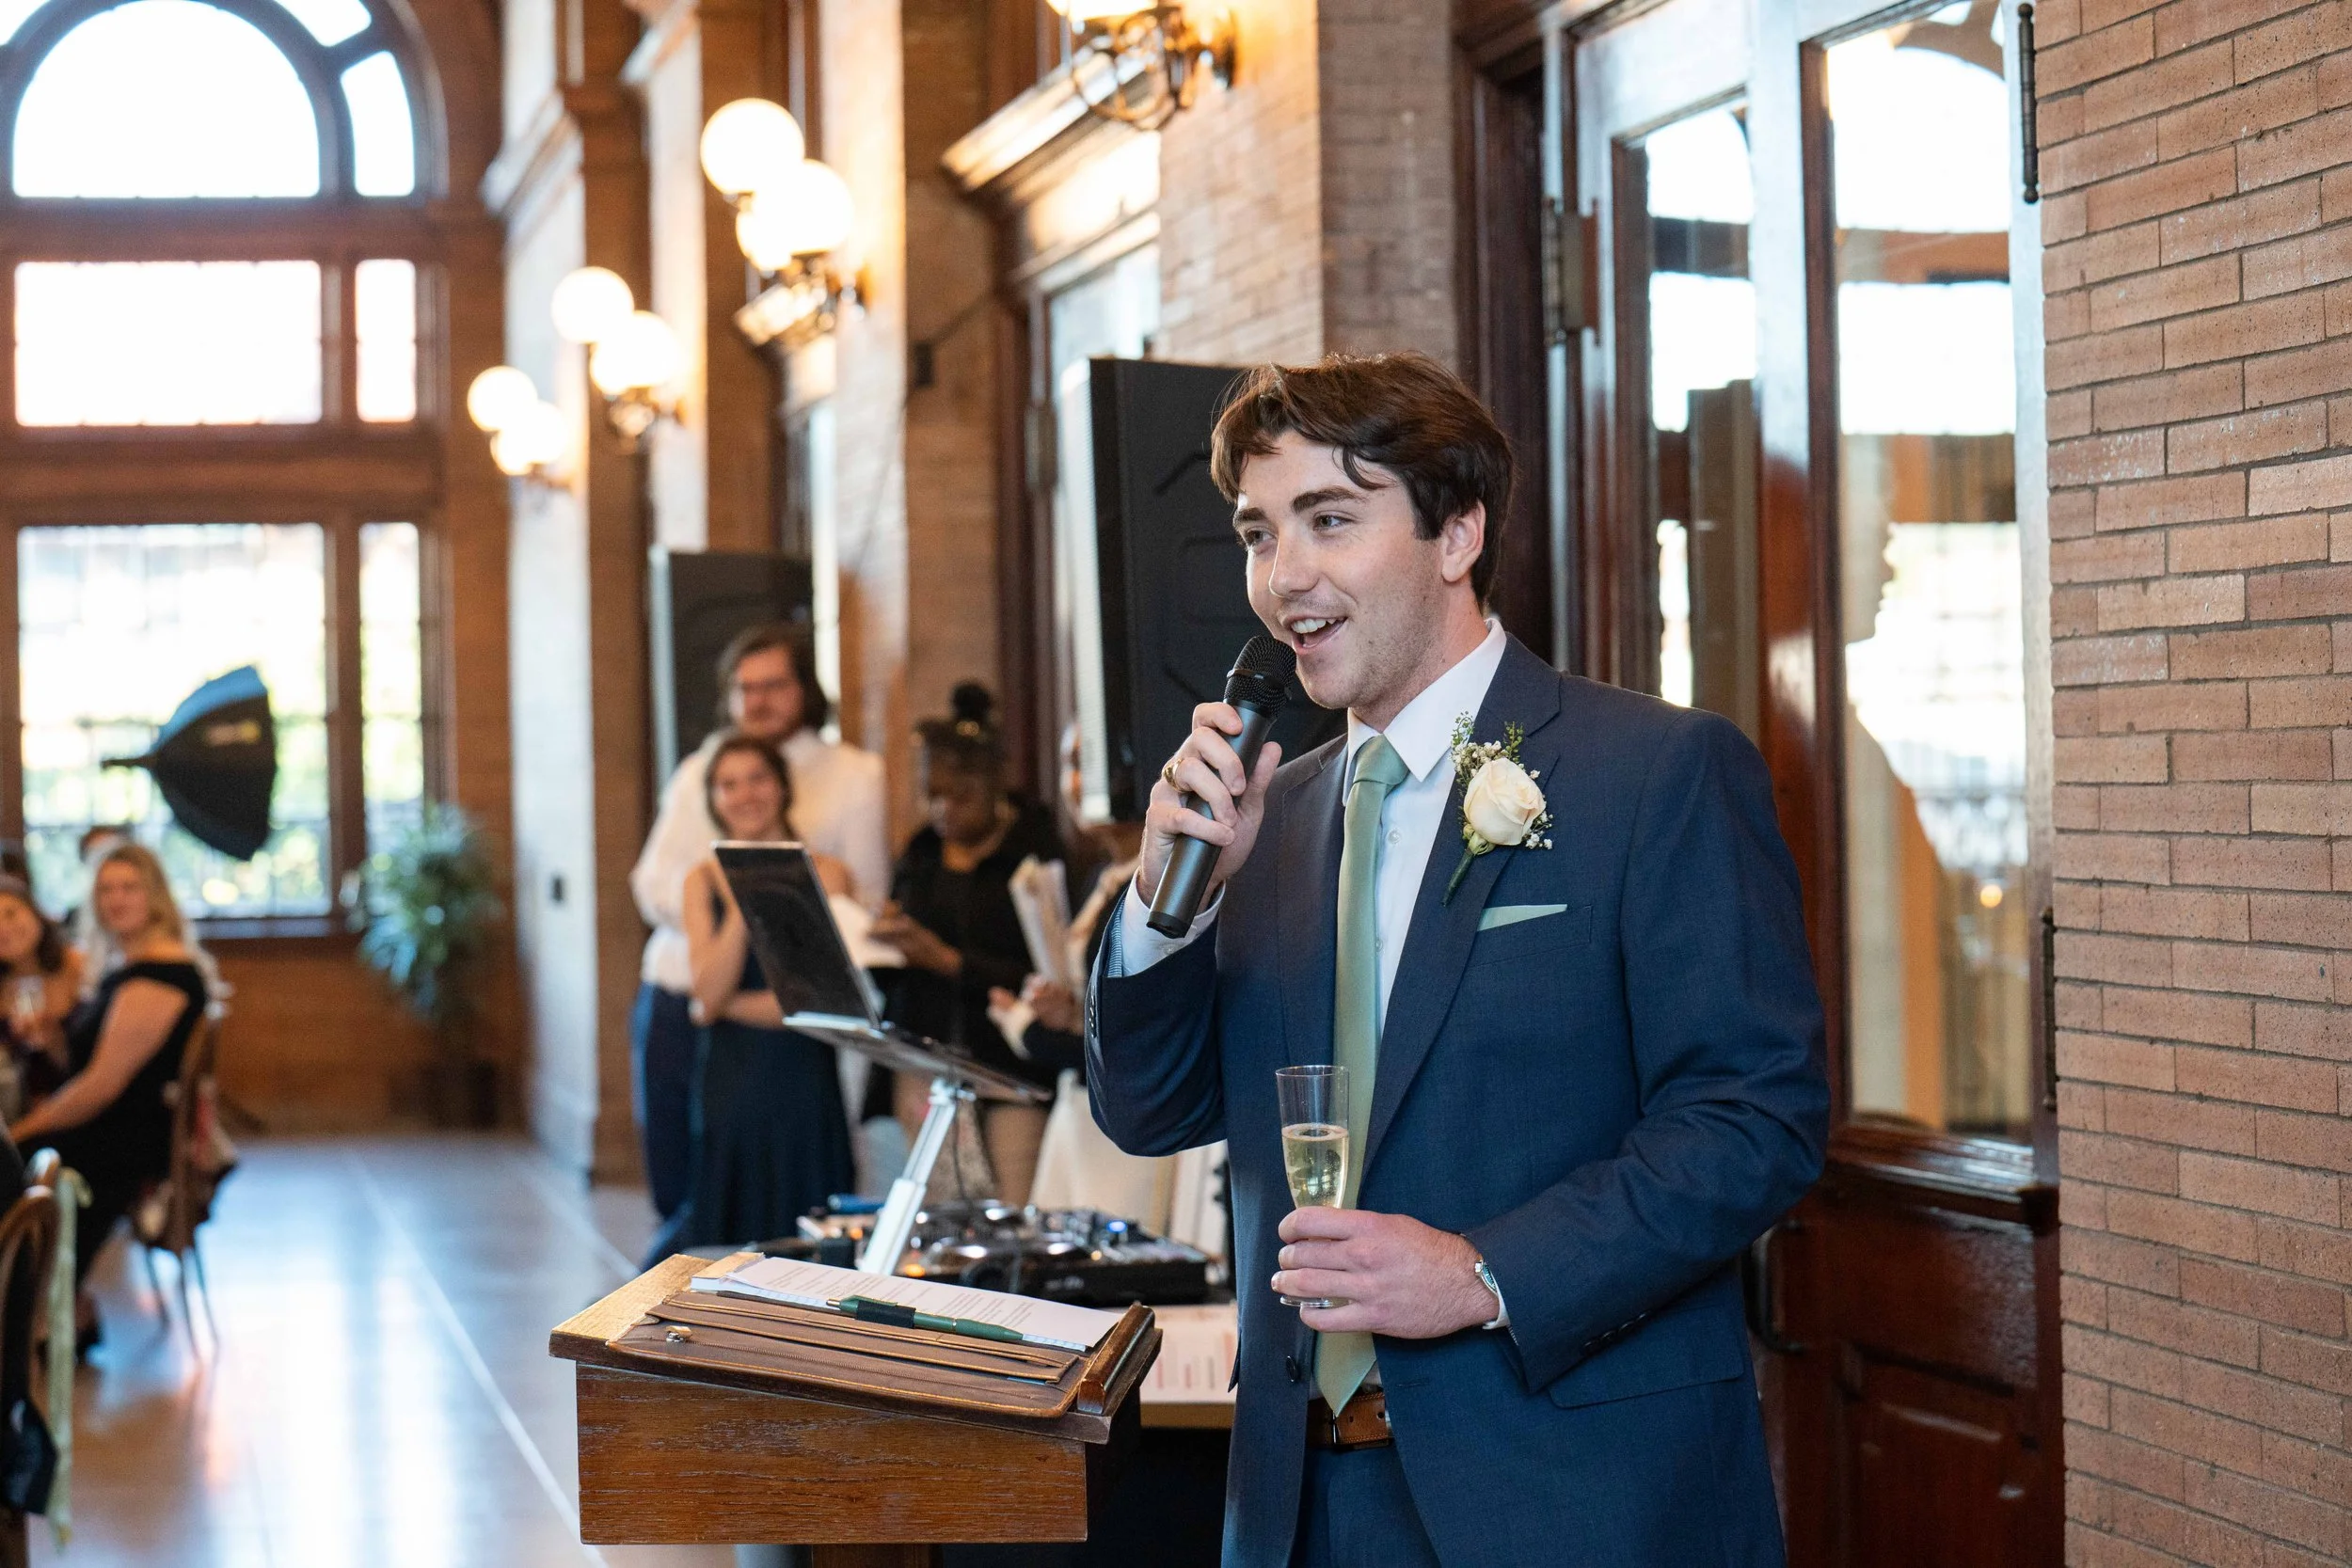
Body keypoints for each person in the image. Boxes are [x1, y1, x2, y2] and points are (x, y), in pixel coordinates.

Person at [1088, 353, 1829, 1567]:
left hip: (1575, 1490)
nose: (1286, 576)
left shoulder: (1654, 771)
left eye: (1331, 519)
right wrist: (1167, 906)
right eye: (1259, 532)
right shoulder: (1275, 817)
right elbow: (1150, 1111)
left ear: (1458, 533)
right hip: (1299, 1502)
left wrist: (1486, 1270)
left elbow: (1756, 1120)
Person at [629, 625, 885, 1223]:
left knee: (805, 1205)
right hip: (687, 991)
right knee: (689, 1186)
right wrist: (731, 887)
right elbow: (651, 884)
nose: (757, 701)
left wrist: (770, 879)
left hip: (799, 1040)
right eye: (745, 689)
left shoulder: (853, 775)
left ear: (804, 688)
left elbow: (859, 916)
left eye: (772, 685)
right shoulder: (700, 767)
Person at [651, 733, 858, 1256]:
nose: (744, 795)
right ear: (714, 800)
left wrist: (723, 1007)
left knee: (808, 1239)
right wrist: (748, 896)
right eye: (728, 785)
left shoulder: (828, 874)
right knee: (725, 1241)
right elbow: (706, 989)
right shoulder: (701, 880)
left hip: (803, 1076)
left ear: (783, 787)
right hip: (730, 1079)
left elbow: (814, 1000)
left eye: (757, 778)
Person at [869, 685, 1065, 1207]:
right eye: (932, 794)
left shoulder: (1032, 849)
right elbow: (895, 953)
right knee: (939, 1209)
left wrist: (951, 962)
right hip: (927, 1053)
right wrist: (886, 941)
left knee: (1014, 1206)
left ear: (993, 785)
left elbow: (1048, 969)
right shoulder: (922, 851)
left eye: (959, 797)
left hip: (1010, 1058)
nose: (943, 810)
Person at [11, 844, 215, 1303]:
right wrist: (53, 1039)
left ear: (155, 896)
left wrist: (20, 1128)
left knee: (12, 1159)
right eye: (105, 890)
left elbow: (98, 1090)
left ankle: (38, 1312)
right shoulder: (128, 965)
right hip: (113, 1128)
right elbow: (87, 1065)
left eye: (130, 888)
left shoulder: (159, 974)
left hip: (123, 1140)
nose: (116, 900)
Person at [0, 877, 79, 1105]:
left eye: (11, 913)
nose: (3, 929)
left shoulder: (80, 968)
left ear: (35, 912)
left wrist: (54, 1040)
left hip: (79, 1111)